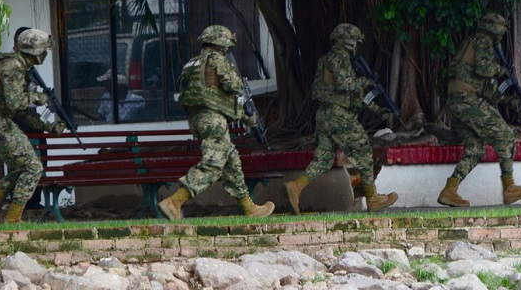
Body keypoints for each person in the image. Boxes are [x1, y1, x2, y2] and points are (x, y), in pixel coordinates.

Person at [158, 25, 275, 220]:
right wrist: (246, 111)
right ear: (220, 43)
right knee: (213, 164)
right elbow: (234, 87)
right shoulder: (217, 61)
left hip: (198, 120)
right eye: (227, 45)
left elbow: (209, 94)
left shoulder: (192, 64)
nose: (228, 49)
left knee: (231, 162)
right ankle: (175, 201)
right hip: (213, 121)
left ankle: (250, 209)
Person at [283, 23, 398, 214]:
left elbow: (354, 95)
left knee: (324, 159)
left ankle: (295, 187)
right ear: (347, 41)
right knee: (363, 151)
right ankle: (373, 198)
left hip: (326, 115)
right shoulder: (338, 57)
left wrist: (378, 110)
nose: (356, 46)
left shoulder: (328, 60)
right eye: (355, 41)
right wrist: (366, 81)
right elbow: (346, 85)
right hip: (339, 116)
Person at [437, 12, 521, 207]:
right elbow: (483, 69)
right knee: (505, 135)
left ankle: (449, 190)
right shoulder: (483, 41)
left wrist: (507, 100)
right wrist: (501, 70)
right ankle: (509, 187)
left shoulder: (471, 43)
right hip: (467, 101)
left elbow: (486, 91)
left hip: (456, 102)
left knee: (475, 149)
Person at [0, 28, 66, 224]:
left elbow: (21, 112)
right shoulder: (13, 66)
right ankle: (13, 218)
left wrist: (47, 126)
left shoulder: (16, 65)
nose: (45, 55)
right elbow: (15, 103)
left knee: (20, 168)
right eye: (43, 50)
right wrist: (38, 97)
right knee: (33, 167)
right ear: (34, 51)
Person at [12, 26, 46, 211]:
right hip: (16, 120)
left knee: (41, 158)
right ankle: (21, 202)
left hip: (31, 119)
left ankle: (34, 200)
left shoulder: (29, 66)